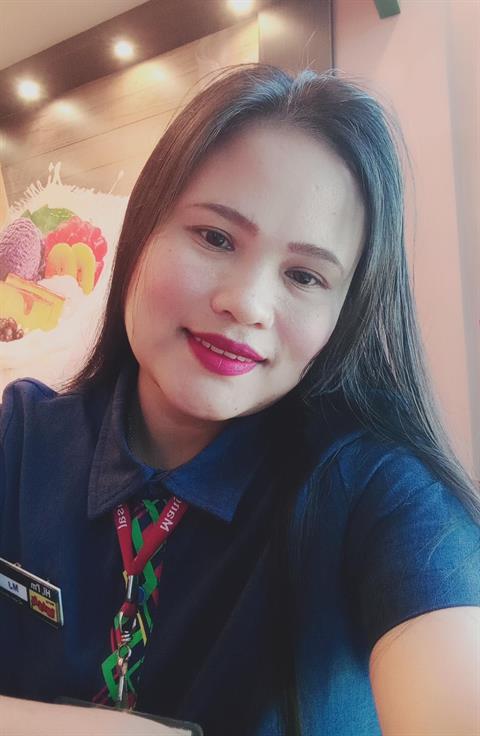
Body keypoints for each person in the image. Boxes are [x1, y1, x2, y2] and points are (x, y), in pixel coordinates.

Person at [0, 62, 479, 736]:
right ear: (143, 231)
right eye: (215, 237)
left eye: (305, 276)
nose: (248, 304)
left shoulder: (379, 493)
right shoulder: (22, 438)